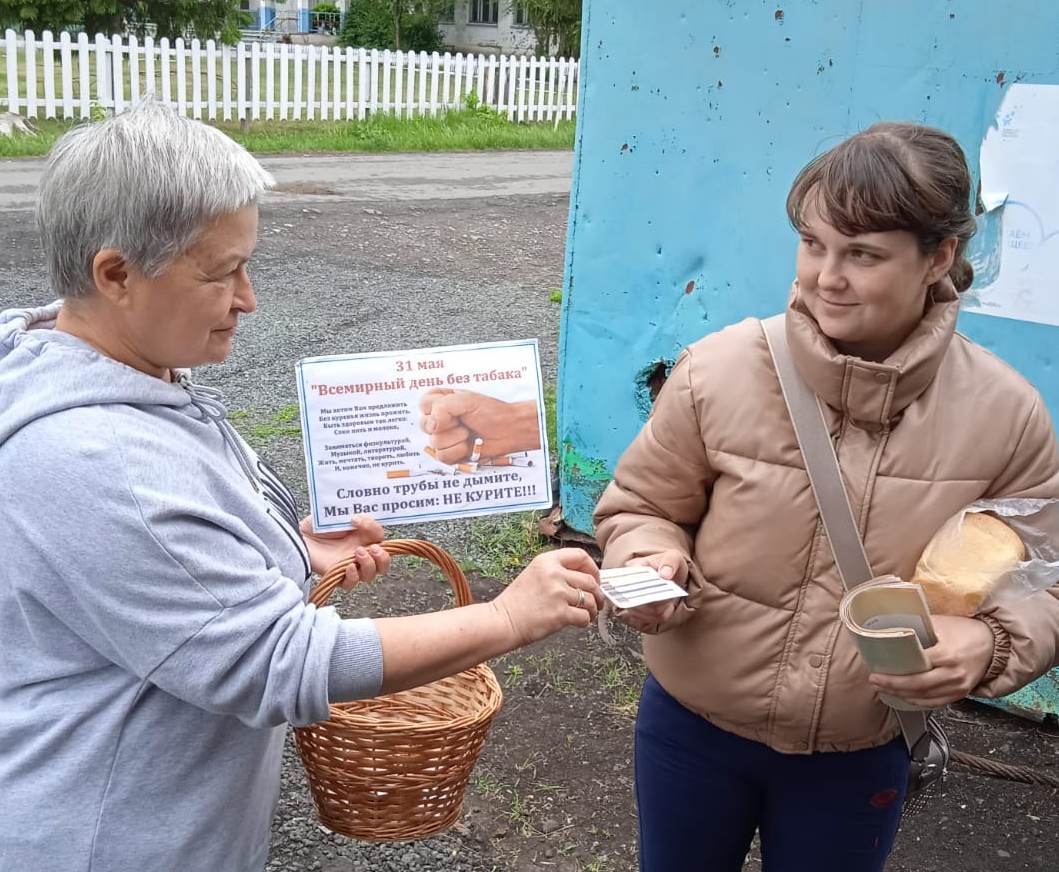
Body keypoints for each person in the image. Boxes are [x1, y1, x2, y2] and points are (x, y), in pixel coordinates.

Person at [0, 98, 602, 872]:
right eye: (222, 273)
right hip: (110, 839)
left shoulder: (108, 364)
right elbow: (281, 663)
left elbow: (170, 553)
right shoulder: (96, 460)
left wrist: (287, 547)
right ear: (116, 275)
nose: (248, 299)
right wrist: (510, 617)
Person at [593, 122, 1059, 872]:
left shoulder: (1006, 415)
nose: (824, 277)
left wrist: (992, 644)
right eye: (812, 244)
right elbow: (642, 505)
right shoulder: (716, 372)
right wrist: (650, 559)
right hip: (690, 730)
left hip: (860, 749)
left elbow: (1047, 572)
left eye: (862, 254)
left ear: (938, 257)